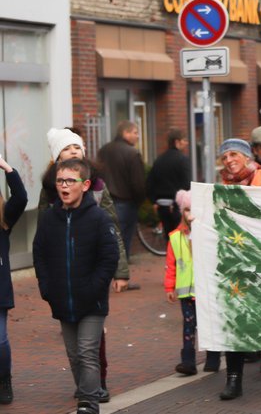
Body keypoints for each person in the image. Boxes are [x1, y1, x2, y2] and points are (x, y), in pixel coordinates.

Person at [41, 128, 129, 404]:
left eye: (77, 149)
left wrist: (119, 272)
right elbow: (42, 244)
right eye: (67, 150)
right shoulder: (51, 193)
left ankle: (94, 391)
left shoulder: (98, 189)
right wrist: (49, 286)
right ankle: (86, 388)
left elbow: (111, 234)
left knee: (90, 344)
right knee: (76, 349)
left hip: (92, 278)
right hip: (65, 282)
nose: (74, 153)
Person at [215, 139, 261, 400]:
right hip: (236, 263)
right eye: (224, 157)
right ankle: (233, 380)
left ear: (247, 157)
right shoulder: (220, 187)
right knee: (235, 320)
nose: (228, 160)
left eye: (233, 154)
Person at [164, 189, 220, 376]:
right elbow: (171, 264)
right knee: (189, 324)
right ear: (182, 211)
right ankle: (188, 361)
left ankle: (213, 357)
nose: (190, 214)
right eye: (187, 210)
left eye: (194, 210)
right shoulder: (175, 237)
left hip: (205, 290)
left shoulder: (209, 233)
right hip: (186, 291)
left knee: (209, 323)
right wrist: (169, 287)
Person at [97, 121, 146, 259]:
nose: (137, 136)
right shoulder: (133, 153)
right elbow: (138, 183)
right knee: (123, 241)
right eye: (135, 132)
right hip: (126, 202)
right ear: (126, 133)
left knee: (107, 238)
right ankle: (121, 276)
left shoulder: (104, 150)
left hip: (104, 201)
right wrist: (139, 201)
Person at [0, 154, 27, 404]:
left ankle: (3, 378)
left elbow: (21, 197)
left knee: (0, 340)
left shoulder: (4, 223)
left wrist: (6, 168)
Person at [146, 128, 191, 239]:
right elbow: (186, 184)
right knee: (180, 239)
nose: (186, 143)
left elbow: (150, 183)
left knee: (169, 239)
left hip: (161, 205)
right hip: (176, 206)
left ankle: (170, 256)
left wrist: (154, 201)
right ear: (176, 142)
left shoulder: (159, 160)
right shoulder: (182, 159)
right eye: (184, 140)